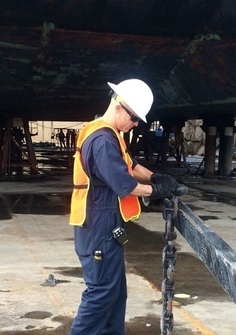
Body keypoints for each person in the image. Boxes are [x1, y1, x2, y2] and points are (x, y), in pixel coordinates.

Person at [69, 78, 178, 335]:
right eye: (134, 117)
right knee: (101, 294)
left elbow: (131, 164)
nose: (136, 124)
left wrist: (155, 178)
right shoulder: (103, 140)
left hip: (105, 225)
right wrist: (156, 191)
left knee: (115, 293)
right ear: (119, 106)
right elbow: (124, 185)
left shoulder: (111, 134)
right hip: (98, 226)